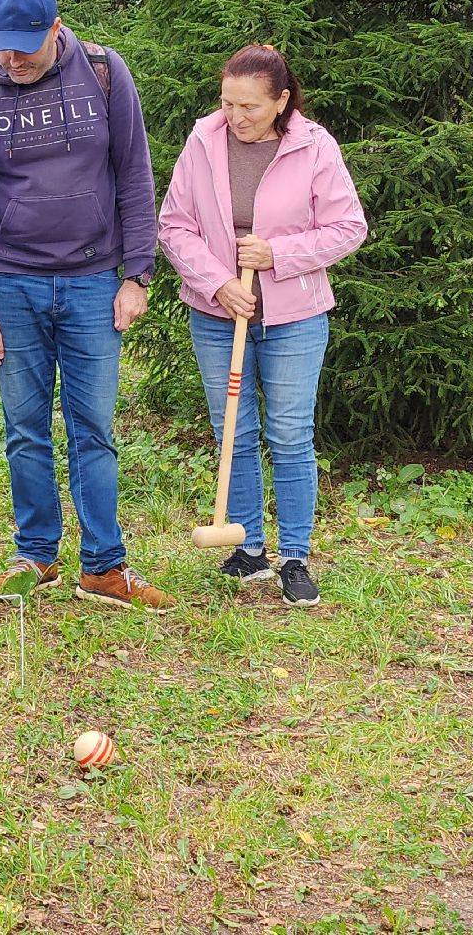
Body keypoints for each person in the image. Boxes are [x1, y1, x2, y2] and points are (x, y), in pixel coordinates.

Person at [0, 0, 175, 612]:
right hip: (12, 285)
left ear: (56, 31)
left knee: (94, 427)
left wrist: (137, 276)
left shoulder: (105, 72)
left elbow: (134, 173)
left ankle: (104, 566)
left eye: (26, 47)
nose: (12, 60)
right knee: (24, 428)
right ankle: (36, 555)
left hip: (93, 282)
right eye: (2, 48)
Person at [158, 44, 366, 607]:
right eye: (227, 103)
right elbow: (175, 226)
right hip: (218, 313)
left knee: (291, 435)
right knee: (235, 431)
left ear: (281, 100)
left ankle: (294, 555)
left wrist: (278, 253)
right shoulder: (203, 142)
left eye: (248, 106)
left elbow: (348, 227)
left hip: (295, 315)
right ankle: (248, 546)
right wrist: (217, 283)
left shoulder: (314, 147)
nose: (236, 117)